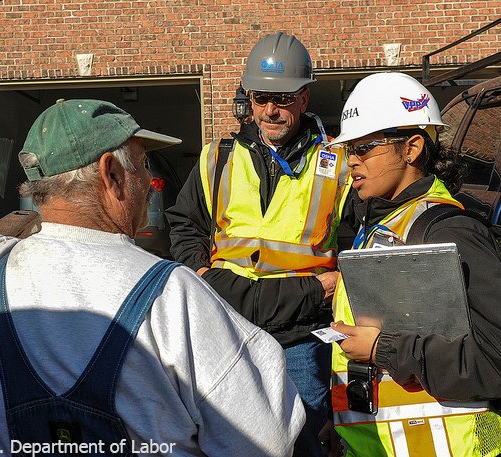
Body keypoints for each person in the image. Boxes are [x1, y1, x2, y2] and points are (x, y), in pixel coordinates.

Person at [0, 99, 306, 456]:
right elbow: (264, 437)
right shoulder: (172, 293)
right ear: (111, 174)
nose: (148, 183)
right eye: (142, 165)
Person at [166, 32, 351, 456]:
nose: (270, 110)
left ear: (304, 98)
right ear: (249, 98)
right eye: (261, 97)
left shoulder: (337, 163)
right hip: (227, 322)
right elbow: (185, 221)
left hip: (301, 329)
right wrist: (196, 270)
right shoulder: (218, 157)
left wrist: (339, 281)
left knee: (301, 431)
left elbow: (360, 238)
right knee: (225, 429)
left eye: (283, 99)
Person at [327, 72, 501, 456]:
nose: (352, 161)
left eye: (364, 147)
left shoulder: (449, 231)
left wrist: (384, 351)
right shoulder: (378, 226)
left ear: (411, 148)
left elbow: (498, 358)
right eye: (348, 150)